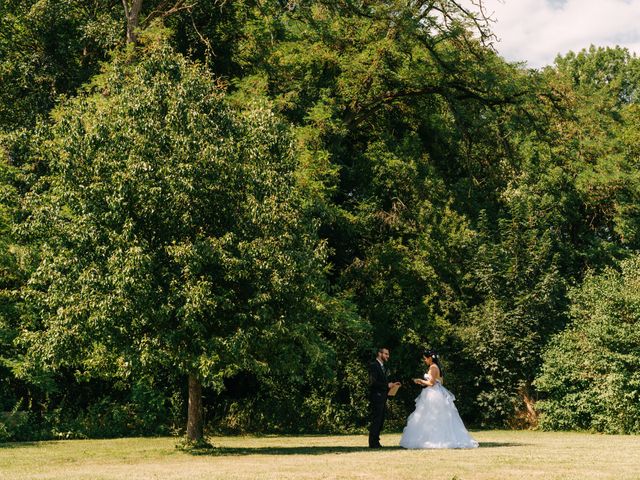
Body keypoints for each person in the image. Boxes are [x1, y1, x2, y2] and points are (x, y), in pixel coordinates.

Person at [399, 349, 478, 449]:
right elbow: (440, 382)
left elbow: (431, 383)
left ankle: (431, 439)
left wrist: (420, 381)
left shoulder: (432, 367)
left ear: (430, 358)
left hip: (432, 394)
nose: (425, 361)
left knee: (430, 415)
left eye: (425, 359)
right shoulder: (438, 367)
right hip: (438, 393)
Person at [368, 347, 401, 448]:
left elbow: (383, 382)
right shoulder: (374, 365)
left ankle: (376, 441)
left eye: (388, 354)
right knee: (377, 419)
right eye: (386, 354)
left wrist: (392, 385)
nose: (388, 356)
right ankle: (373, 442)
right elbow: (372, 382)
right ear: (379, 353)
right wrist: (386, 385)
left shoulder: (383, 367)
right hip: (376, 396)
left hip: (383, 397)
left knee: (381, 419)